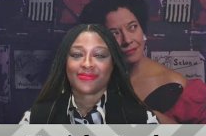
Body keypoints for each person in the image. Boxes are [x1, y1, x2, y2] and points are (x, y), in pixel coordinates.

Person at [79, 0, 206, 123]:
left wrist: (163, 122)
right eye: (114, 33)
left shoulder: (182, 89)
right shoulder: (91, 82)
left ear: (142, 29)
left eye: (132, 27)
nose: (127, 40)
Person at [20, 24, 160, 124]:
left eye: (99, 55)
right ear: (64, 63)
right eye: (76, 54)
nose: (87, 64)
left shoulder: (142, 120)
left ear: (113, 65)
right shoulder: (35, 119)